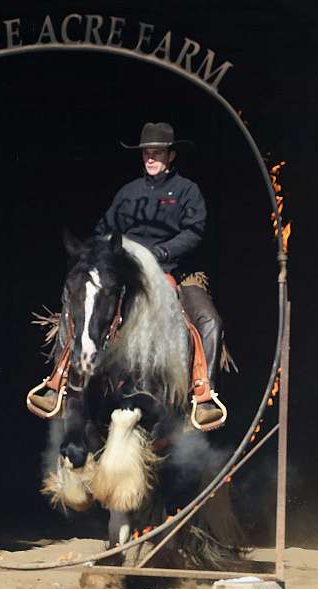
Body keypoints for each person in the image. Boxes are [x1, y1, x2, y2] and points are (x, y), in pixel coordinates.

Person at [94, 122, 226, 428]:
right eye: (146, 153)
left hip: (177, 272)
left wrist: (163, 253)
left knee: (209, 322)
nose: (150, 158)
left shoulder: (186, 191)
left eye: (157, 153)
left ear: (171, 155)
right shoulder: (127, 193)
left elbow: (195, 231)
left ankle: (202, 394)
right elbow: (105, 228)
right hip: (131, 273)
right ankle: (63, 379)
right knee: (86, 305)